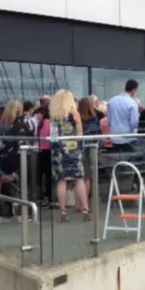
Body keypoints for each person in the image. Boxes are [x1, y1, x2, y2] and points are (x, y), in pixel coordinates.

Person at [50, 90, 88, 222]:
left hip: (59, 152)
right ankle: (85, 209)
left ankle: (63, 211)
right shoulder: (75, 114)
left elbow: (53, 138)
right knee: (79, 179)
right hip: (74, 151)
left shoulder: (54, 117)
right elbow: (80, 134)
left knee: (61, 181)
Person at [78, 96, 102, 207]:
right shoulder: (95, 119)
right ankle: (85, 202)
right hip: (90, 150)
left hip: (77, 150)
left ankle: (78, 204)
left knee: (78, 178)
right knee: (87, 177)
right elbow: (99, 135)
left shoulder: (75, 119)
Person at [107, 80, 139, 151]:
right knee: (129, 160)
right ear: (134, 89)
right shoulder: (132, 103)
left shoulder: (111, 101)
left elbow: (109, 122)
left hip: (114, 138)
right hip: (128, 139)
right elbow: (134, 123)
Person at [35, 107, 52, 206]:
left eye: (40, 113)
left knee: (44, 175)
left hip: (45, 150)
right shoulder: (41, 123)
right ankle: (46, 195)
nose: (38, 115)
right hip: (44, 150)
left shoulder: (45, 123)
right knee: (46, 175)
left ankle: (46, 195)